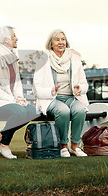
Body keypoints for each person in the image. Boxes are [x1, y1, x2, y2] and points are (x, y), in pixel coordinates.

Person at [0, 26, 34, 159]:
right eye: (14, 36)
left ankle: (0, 134)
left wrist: (19, 97)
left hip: (8, 100)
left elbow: (17, 83)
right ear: (6, 39)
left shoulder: (12, 58)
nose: (17, 38)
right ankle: (4, 145)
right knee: (20, 111)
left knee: (32, 111)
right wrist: (13, 100)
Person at [33, 29, 89, 157]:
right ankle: (63, 146)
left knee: (80, 110)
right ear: (51, 43)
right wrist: (51, 91)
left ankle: (75, 146)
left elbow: (85, 84)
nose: (60, 42)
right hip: (52, 99)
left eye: (63, 39)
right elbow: (36, 88)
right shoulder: (43, 60)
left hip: (72, 98)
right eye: (57, 40)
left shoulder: (74, 59)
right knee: (63, 111)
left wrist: (80, 88)